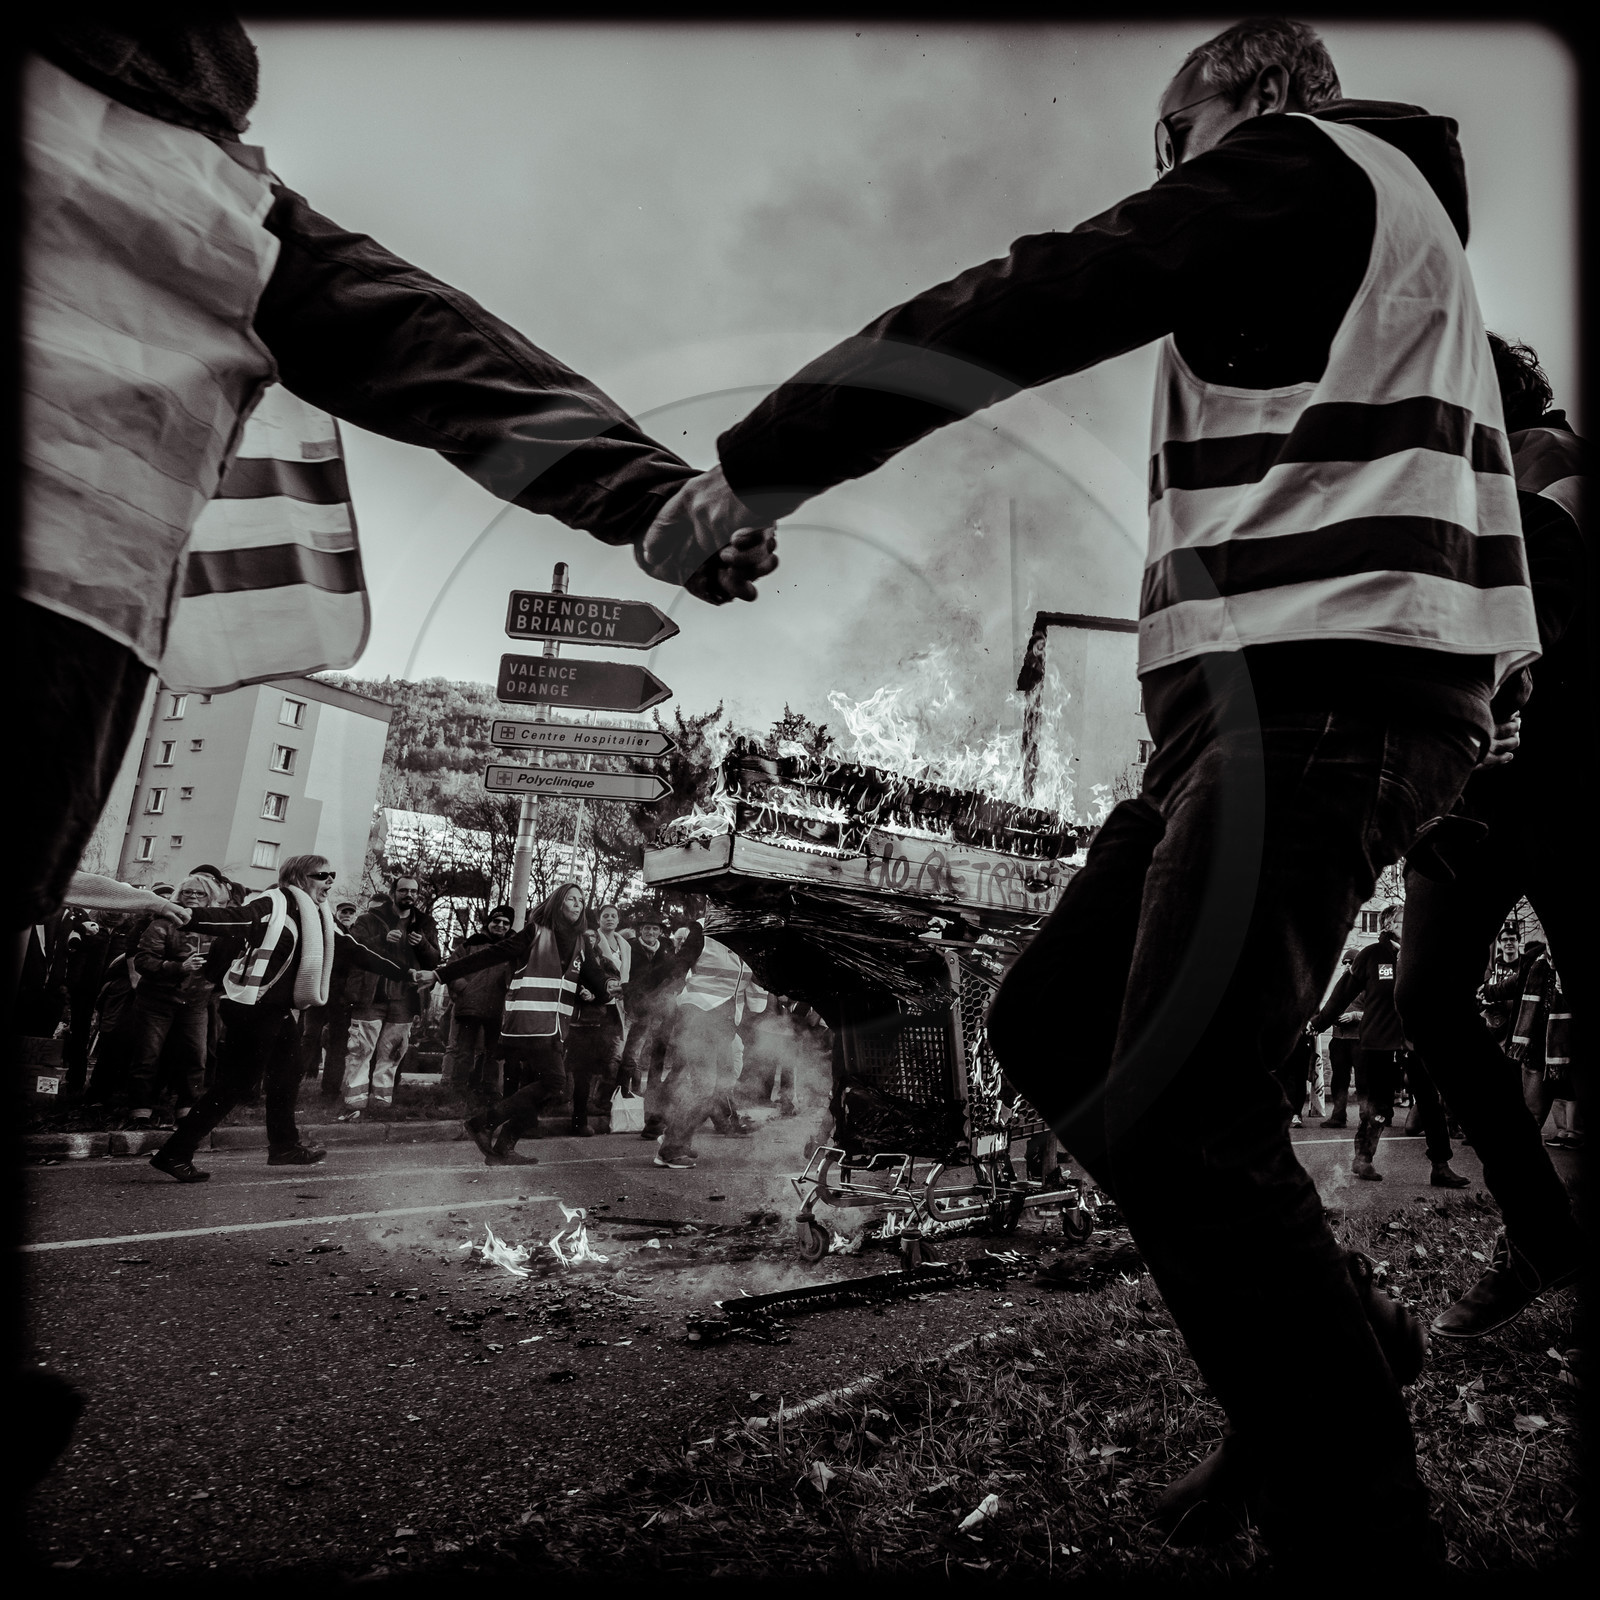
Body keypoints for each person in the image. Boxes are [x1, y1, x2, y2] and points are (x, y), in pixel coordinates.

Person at [644, 17, 1540, 1564]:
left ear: (1249, 95)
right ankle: (1327, 1350)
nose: (1165, 175)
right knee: (1056, 1026)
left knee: (1192, 1110)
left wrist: (760, 464)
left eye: (1168, 137)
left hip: (1317, 700)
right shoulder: (1379, 236)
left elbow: (1040, 293)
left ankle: (1364, 1527)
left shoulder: (1302, 167)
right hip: (1259, 715)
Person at [13, 14, 778, 948]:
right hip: (56, 650)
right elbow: (450, 361)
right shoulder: (206, 203)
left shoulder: (194, 193)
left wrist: (657, 499)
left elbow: (441, 356)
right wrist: (658, 501)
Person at [1394, 333, 1586, 1337]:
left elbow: (1538, 605)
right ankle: (1543, 1234)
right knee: (1424, 995)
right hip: (1474, 801)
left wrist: (1497, 675)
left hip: (1557, 788)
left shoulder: (1544, 480)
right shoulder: (1456, 494)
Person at [146, 855, 411, 1181]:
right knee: (236, 1084)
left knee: (288, 1072)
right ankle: (176, 1152)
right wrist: (185, 915)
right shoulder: (273, 903)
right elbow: (233, 919)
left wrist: (405, 972)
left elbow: (352, 948)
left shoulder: (318, 917)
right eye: (322, 875)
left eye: (333, 874)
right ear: (299, 877)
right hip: (250, 1005)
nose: (330, 881)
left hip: (275, 1008)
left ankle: (284, 1146)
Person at [418, 883, 611, 1165]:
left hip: (554, 1027)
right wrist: (440, 975)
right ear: (558, 903)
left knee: (542, 1088)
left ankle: (503, 1146)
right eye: (571, 898)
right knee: (555, 1083)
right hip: (527, 1024)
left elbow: (596, 977)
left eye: (581, 900)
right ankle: (484, 1123)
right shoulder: (535, 932)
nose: (578, 904)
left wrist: (612, 987)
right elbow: (489, 955)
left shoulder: (581, 942)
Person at [1311, 904, 1466, 1186]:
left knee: (1430, 1104)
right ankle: (1364, 1160)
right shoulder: (1371, 955)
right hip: (1378, 1045)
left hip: (1414, 1044)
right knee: (1378, 1107)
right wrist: (1318, 1023)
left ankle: (1441, 1166)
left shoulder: (1419, 956)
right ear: (1387, 924)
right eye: (1405, 920)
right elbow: (1341, 994)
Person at [655, 932, 765, 1170]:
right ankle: (671, 1149)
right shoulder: (703, 930)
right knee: (704, 1085)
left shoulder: (749, 938)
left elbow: (756, 981)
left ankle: (675, 1135)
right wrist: (667, 994)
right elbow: (680, 964)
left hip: (724, 1024)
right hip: (698, 1017)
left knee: (719, 1087)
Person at [122, 876, 224, 1130]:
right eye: (187, 891)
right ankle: (140, 1110)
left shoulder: (217, 926)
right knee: (147, 1055)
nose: (192, 896)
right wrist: (180, 967)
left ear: (210, 897)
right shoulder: (163, 924)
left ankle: (187, 1110)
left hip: (196, 1002)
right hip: (157, 1001)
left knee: (195, 1056)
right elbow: (143, 961)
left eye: (199, 893)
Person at [339, 876, 439, 1120]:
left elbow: (434, 960)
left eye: (414, 891)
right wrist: (381, 940)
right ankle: (354, 1102)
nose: (409, 895)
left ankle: (382, 1103)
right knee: (361, 1048)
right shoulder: (369, 919)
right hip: (371, 994)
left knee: (392, 1052)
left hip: (404, 998)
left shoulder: (425, 923)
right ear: (393, 892)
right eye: (404, 890)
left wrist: (423, 944)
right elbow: (352, 948)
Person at [564, 904, 631, 1136]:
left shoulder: (601, 960)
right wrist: (581, 991)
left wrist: (600, 993)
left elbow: (606, 984)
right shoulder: (570, 954)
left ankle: (580, 1118)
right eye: (587, 936)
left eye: (593, 937)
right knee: (564, 1070)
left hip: (593, 1021)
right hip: (570, 1019)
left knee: (586, 1071)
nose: (590, 940)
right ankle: (566, 1111)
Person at [442, 905, 515, 1106]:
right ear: (489, 922)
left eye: (505, 923)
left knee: (494, 1053)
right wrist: (461, 987)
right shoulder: (471, 944)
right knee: (463, 1051)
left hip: (498, 1008)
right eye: (496, 921)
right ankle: (457, 1092)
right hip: (470, 1006)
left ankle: (489, 1092)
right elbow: (452, 966)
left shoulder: (513, 947)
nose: (500, 925)